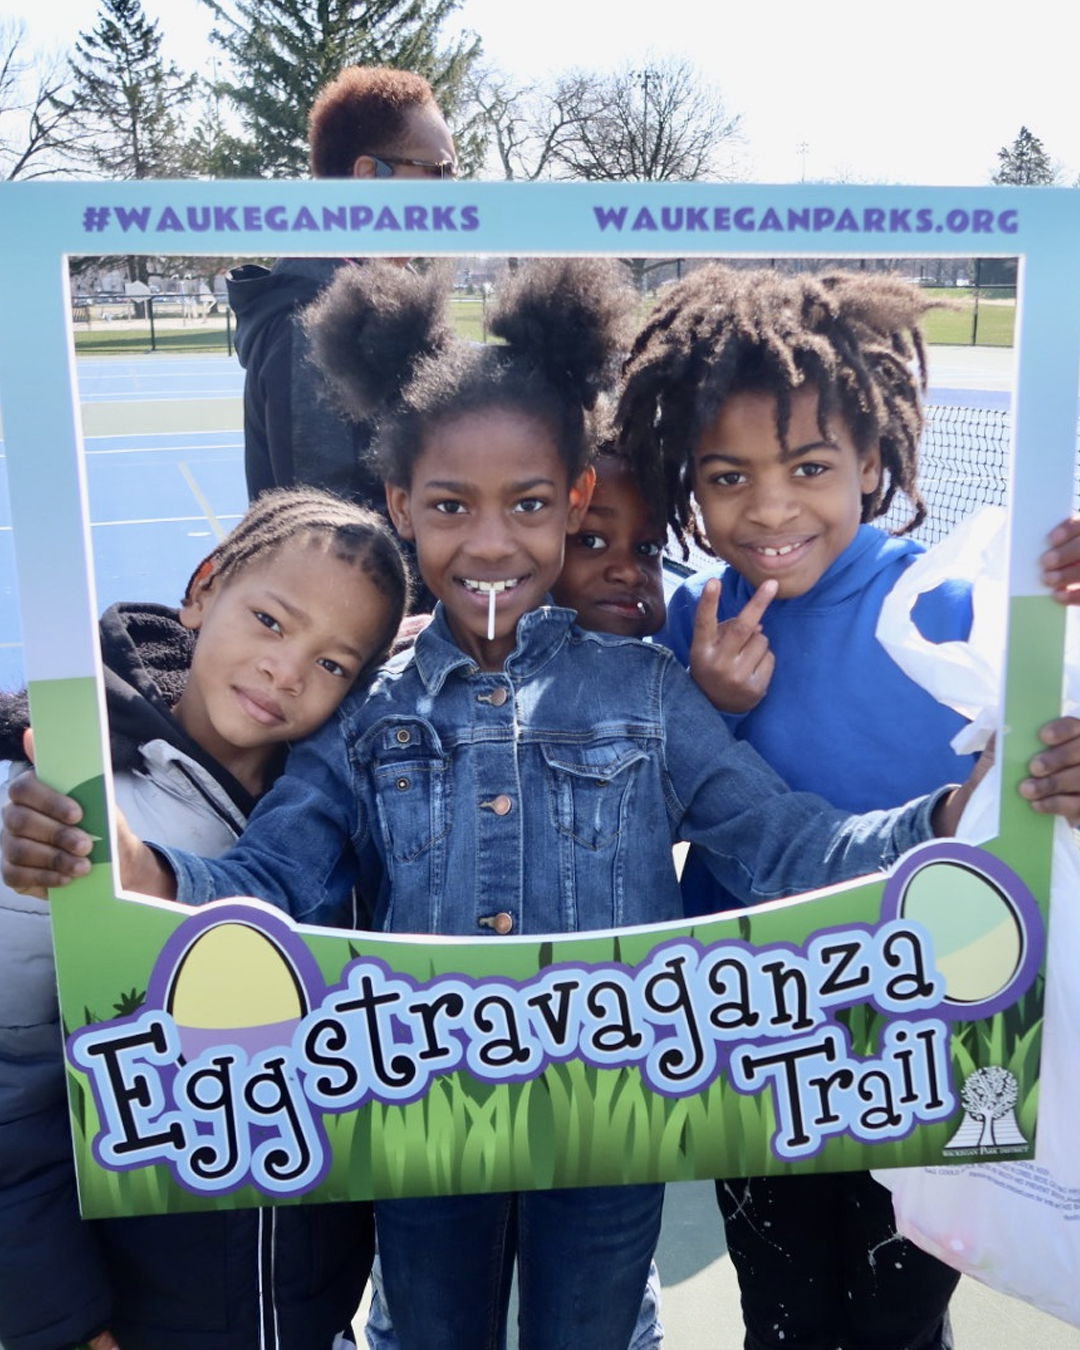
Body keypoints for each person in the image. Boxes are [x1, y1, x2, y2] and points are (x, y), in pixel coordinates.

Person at [4, 259, 1074, 1350]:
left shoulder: (649, 691)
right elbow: (271, 880)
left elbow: (791, 844)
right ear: (400, 505)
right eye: (449, 506)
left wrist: (955, 818)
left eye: (527, 504)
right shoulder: (364, 713)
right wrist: (128, 865)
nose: (489, 542)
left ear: (571, 500)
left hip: (614, 1127)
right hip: (422, 1129)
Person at [615, 262, 1080, 1350]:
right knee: (782, 1315)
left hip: (933, 1036)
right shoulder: (686, 622)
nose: (771, 507)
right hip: (750, 1032)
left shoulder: (957, 608)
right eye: (727, 476)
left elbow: (1040, 750)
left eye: (811, 466)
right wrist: (706, 707)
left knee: (898, 1326)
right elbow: (638, 814)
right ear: (689, 485)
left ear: (872, 463)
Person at [0, 487, 409, 1350]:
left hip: (310, 1309)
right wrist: (64, 1323)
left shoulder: (348, 818)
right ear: (203, 588)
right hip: (139, 1315)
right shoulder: (66, 813)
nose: (286, 671)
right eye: (269, 620)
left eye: (334, 664)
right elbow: (11, 1092)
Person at [228, 65, 457, 510]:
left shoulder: (391, 298)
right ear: (369, 175)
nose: (455, 192)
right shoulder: (310, 321)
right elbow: (329, 525)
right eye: (441, 171)